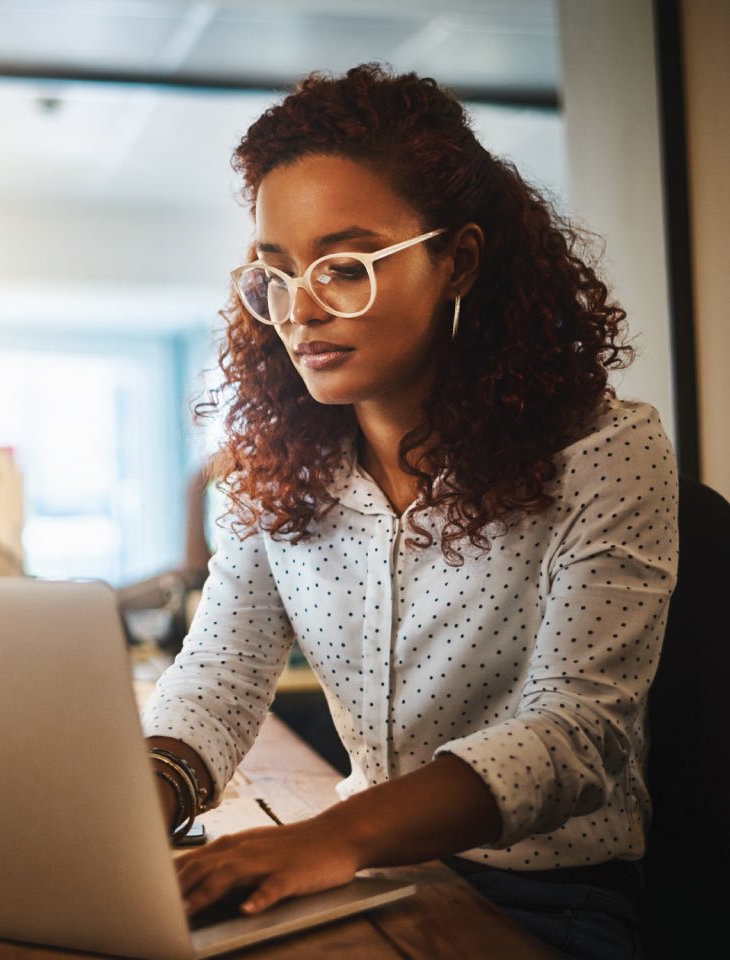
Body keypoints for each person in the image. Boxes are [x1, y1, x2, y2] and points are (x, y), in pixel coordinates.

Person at [138, 64, 676, 960]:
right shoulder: (275, 473)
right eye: (274, 275)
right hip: (375, 877)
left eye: (345, 268)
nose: (299, 311)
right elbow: (220, 680)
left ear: (457, 260)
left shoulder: (604, 453)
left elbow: (578, 733)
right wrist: (144, 799)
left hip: (551, 898)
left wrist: (327, 840)